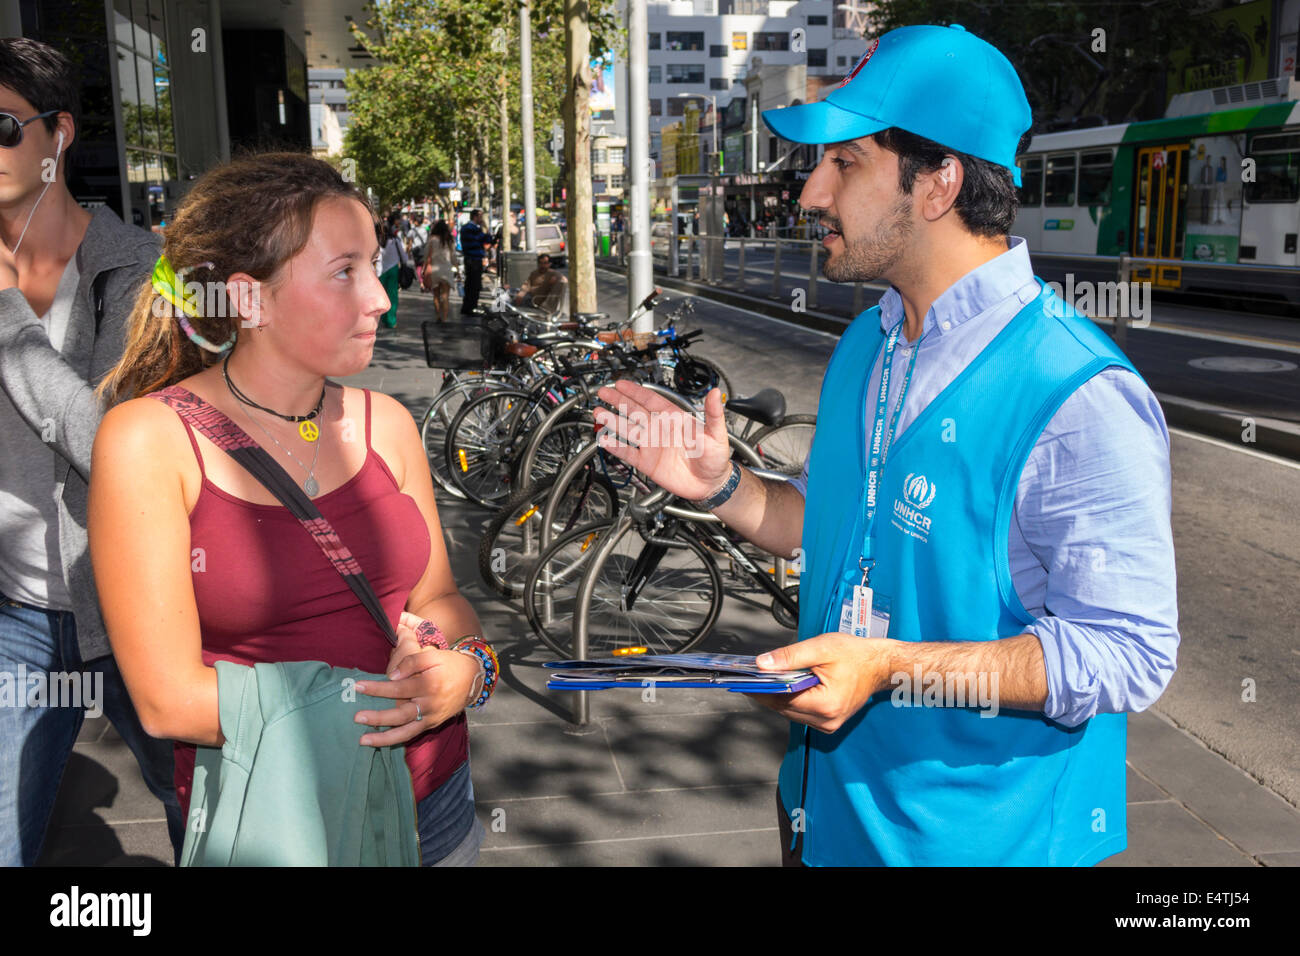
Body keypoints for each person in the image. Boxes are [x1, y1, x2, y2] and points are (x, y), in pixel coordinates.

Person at [591, 24, 1178, 866]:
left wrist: (893, 667)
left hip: (975, 844)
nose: (810, 193)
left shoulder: (1078, 395)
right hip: (822, 813)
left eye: (846, 163)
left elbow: (1127, 653)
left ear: (937, 183)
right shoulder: (871, 340)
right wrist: (723, 487)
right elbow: (838, 529)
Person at [86, 152, 497, 866]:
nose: (380, 297)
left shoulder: (386, 422)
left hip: (437, 798)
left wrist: (468, 669)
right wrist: (376, 700)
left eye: (374, 265)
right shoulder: (149, 440)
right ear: (249, 300)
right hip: (280, 812)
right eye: (346, 272)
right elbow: (163, 700)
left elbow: (438, 595)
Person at [0, 37, 183, 866]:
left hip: (135, 601)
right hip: (18, 618)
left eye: (3, 129)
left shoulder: (141, 270)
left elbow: (109, 443)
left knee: (208, 818)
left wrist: (7, 312)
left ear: (58, 135)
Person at [458, 208, 493, 318]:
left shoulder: (468, 228)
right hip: (473, 260)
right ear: (475, 217)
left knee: (471, 284)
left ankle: (468, 306)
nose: (481, 219)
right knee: (474, 284)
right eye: (480, 216)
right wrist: (485, 228)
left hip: (471, 259)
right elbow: (485, 239)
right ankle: (470, 307)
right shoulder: (471, 229)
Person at [377, 211, 408, 328]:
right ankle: (391, 320)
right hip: (393, 270)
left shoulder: (378, 241)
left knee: (382, 296)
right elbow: (403, 256)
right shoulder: (395, 240)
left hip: (380, 271)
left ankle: (384, 317)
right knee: (392, 296)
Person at [424, 219, 457, 322]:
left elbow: (426, 256)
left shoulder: (432, 239)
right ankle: (445, 318)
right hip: (446, 270)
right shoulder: (449, 240)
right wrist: (457, 267)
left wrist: (425, 267)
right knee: (445, 296)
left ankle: (438, 315)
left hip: (434, 270)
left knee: (436, 296)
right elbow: (453, 257)